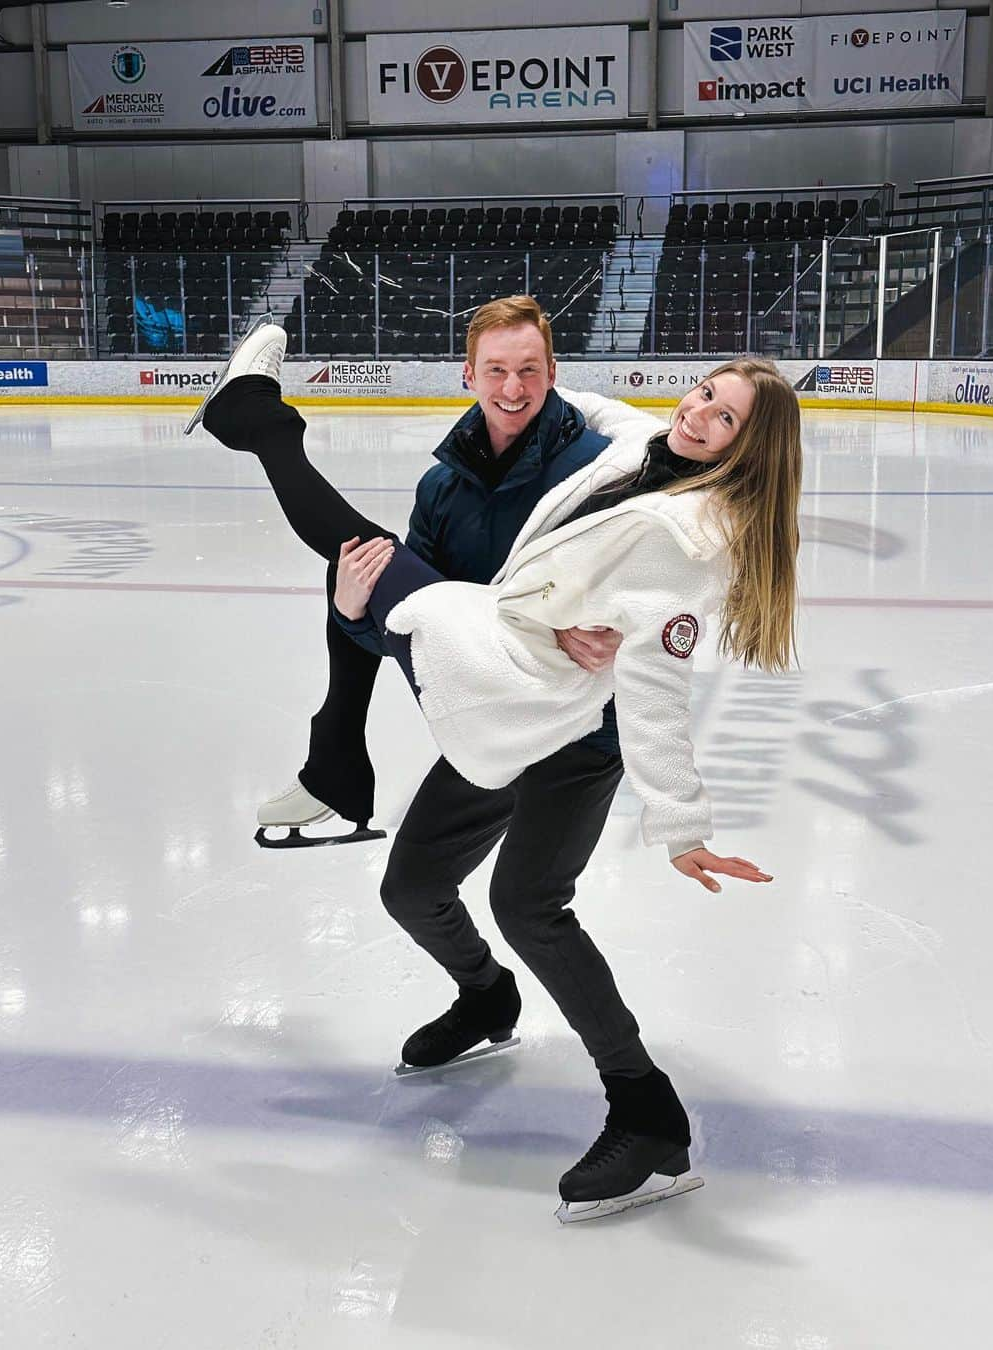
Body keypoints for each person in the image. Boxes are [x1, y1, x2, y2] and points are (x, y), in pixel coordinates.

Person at [191, 319, 803, 1222]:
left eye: (724, 417)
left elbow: (660, 685)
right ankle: (486, 996)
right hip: (510, 672)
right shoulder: (640, 442)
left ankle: (648, 1115)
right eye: (704, 390)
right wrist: (521, 389)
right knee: (411, 887)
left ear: (751, 451)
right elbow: (594, 404)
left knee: (528, 903)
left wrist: (680, 825)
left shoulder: (695, 540)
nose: (699, 411)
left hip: (556, 717)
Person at [247, 297, 618, 846]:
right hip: (477, 682)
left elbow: (646, 591)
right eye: (496, 371)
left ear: (553, 374)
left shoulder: (597, 472)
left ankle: (260, 426)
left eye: (528, 371)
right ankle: (334, 770)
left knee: (365, 551)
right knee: (355, 568)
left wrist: (603, 632)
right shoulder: (441, 487)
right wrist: (351, 613)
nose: (512, 390)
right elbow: (412, 625)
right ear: (468, 375)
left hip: (550, 701)